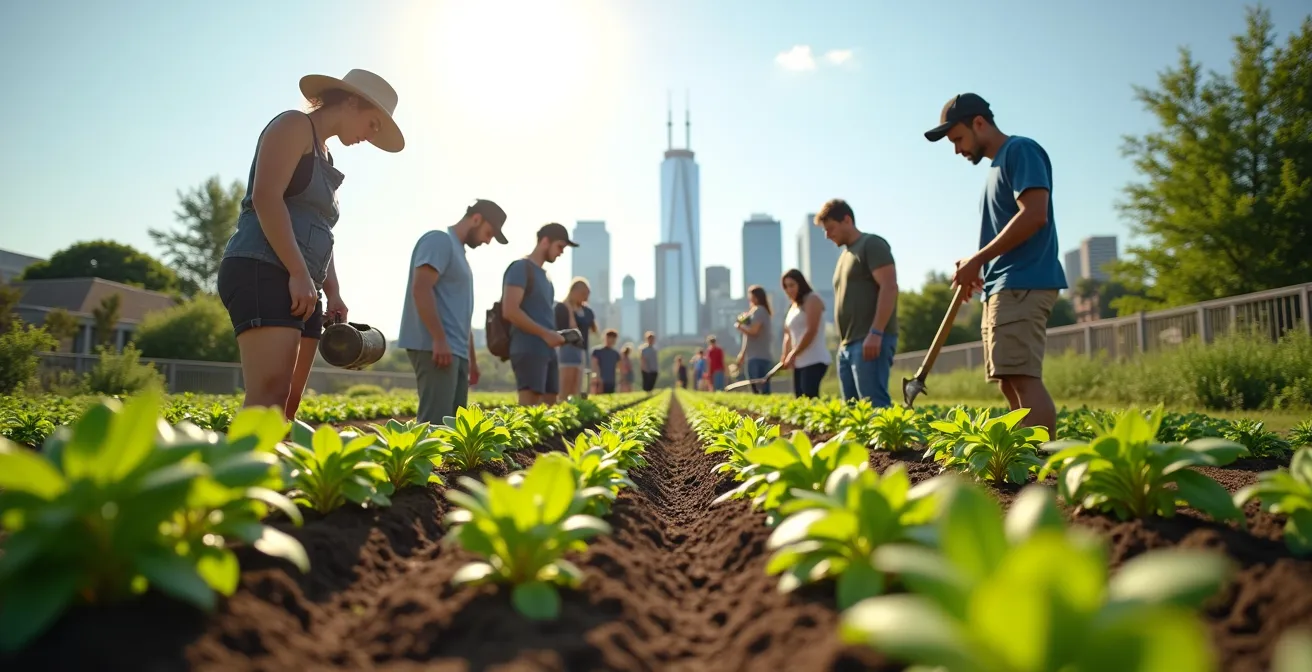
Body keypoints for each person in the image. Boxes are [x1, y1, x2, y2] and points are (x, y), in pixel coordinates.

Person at [217, 68, 404, 420]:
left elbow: (320, 230)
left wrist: (332, 291)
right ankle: (235, 474)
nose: (370, 136)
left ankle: (275, 474)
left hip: (301, 281)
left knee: (286, 406)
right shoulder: (293, 126)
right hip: (263, 268)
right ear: (351, 101)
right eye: (373, 124)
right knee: (268, 397)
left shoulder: (326, 156)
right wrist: (299, 273)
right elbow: (266, 197)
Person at [924, 93, 1066, 435]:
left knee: (1022, 377)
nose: (957, 150)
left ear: (979, 123)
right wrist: (977, 267)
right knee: (1007, 379)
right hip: (1003, 284)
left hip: (1024, 281)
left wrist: (979, 259)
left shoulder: (1020, 150)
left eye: (957, 138)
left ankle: (1041, 471)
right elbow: (1006, 232)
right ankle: (1021, 458)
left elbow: (1034, 216)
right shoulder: (995, 168)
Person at [397, 199, 507, 424]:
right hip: (435, 348)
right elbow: (421, 288)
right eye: (489, 233)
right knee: (435, 424)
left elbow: (460, 314)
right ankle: (425, 462)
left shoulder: (459, 254)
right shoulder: (440, 241)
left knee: (452, 427)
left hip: (455, 351)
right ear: (476, 219)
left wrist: (472, 360)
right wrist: (438, 339)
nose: (488, 241)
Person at [815, 198, 899, 407]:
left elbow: (889, 287)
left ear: (847, 220)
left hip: (869, 340)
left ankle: (889, 442)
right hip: (847, 344)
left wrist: (876, 332)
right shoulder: (844, 256)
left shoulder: (871, 244)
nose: (827, 235)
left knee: (874, 406)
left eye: (831, 228)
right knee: (853, 412)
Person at [500, 223, 575, 406]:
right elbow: (509, 310)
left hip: (547, 351)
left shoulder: (546, 278)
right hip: (528, 348)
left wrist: (555, 335)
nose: (561, 252)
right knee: (529, 409)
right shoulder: (520, 268)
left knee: (549, 407)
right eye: (559, 247)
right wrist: (545, 334)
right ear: (545, 241)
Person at [779, 269, 830, 398]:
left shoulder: (812, 299)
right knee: (800, 399)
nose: (789, 290)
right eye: (785, 286)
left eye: (792, 285)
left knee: (810, 397)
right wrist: (785, 355)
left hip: (814, 359)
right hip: (799, 362)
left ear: (800, 283)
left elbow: (811, 330)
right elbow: (788, 334)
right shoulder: (793, 307)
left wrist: (793, 353)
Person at [554, 278, 597, 398]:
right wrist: (570, 310)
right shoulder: (562, 308)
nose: (586, 298)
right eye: (584, 294)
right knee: (565, 385)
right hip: (567, 349)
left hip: (582, 350)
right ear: (574, 292)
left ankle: (574, 411)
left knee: (578, 388)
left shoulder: (587, 311)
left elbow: (593, 328)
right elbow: (570, 330)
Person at [735, 285, 775, 394]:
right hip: (757, 356)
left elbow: (753, 332)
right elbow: (748, 336)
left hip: (758, 356)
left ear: (756, 297)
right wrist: (742, 354)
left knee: (759, 389)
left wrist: (740, 327)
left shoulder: (759, 310)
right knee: (759, 388)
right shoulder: (755, 312)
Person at [591, 329, 621, 394]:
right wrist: (597, 379)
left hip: (611, 382)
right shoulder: (597, 351)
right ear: (605, 338)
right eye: (610, 337)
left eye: (614, 338)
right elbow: (594, 366)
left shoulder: (616, 354)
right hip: (599, 382)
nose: (612, 340)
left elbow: (618, 369)